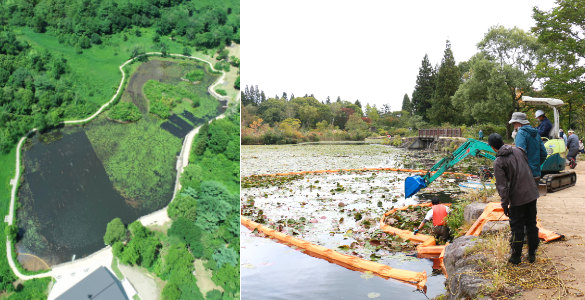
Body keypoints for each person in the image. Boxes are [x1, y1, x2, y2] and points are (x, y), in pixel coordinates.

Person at [488, 133, 540, 264]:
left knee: (517, 227)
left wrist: (504, 204)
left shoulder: (498, 162)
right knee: (531, 224)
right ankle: (532, 254)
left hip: (517, 198)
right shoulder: (519, 150)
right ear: (503, 141)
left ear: (493, 147)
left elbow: (502, 186)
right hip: (532, 192)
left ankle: (516, 256)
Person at [510, 112, 547, 184]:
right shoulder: (536, 133)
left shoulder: (521, 133)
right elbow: (544, 154)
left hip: (525, 175)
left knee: (523, 195)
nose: (514, 126)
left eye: (514, 124)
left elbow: (519, 154)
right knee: (534, 195)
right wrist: (535, 165)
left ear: (518, 123)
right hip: (536, 173)